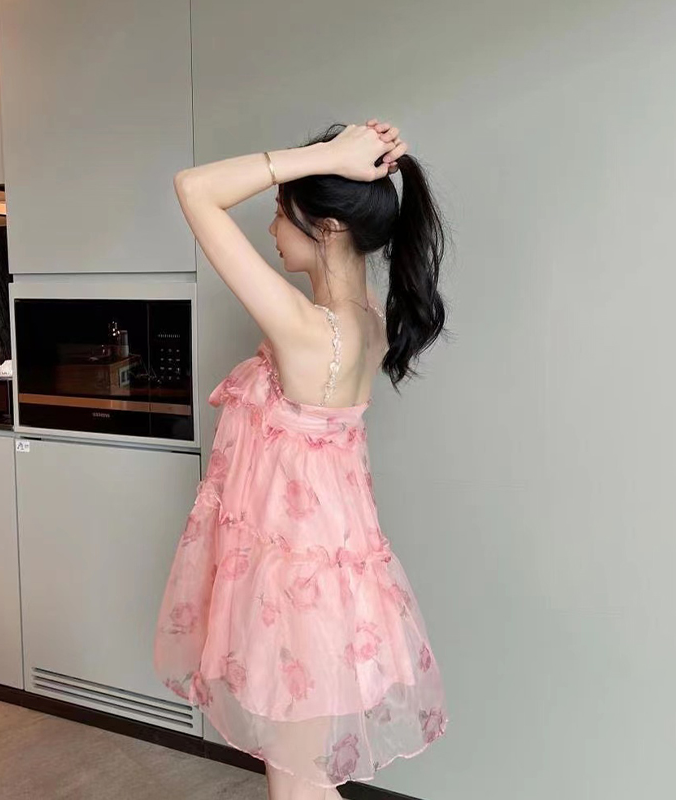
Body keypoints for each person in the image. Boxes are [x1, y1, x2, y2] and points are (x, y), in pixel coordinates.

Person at [153, 120, 449, 800]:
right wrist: (342, 161)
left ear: (330, 227)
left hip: (296, 591)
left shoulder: (308, 330)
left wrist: (325, 157)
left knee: (296, 789)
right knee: (303, 782)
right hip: (321, 578)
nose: (270, 229)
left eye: (281, 214)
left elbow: (194, 189)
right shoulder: (364, 321)